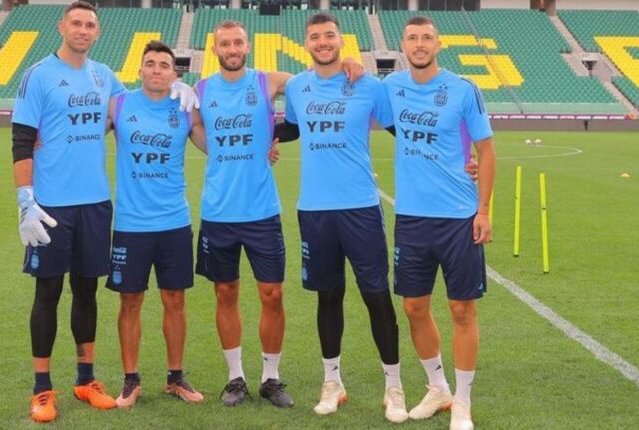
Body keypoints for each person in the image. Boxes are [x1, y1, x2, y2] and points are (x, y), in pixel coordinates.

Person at [10, 2, 197, 422]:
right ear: (62, 26)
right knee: (47, 293)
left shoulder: (103, 77)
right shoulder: (37, 76)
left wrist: (184, 89)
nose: (82, 29)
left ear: (97, 32)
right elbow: (22, 141)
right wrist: (26, 199)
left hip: (95, 203)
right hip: (51, 205)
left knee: (87, 290)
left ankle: (86, 378)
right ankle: (42, 388)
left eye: (90, 24)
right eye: (75, 22)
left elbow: (135, 106)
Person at [194, 19, 361, 408]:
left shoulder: (268, 81)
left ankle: (271, 377)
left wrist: (347, 62)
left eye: (237, 42)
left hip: (261, 211)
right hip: (218, 210)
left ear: (247, 46)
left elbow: (312, 77)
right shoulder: (200, 90)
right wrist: (214, 151)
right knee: (225, 292)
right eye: (224, 44)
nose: (232, 49)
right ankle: (235, 378)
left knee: (272, 294)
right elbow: (194, 127)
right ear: (215, 48)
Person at [278, 12, 408, 422]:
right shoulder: (298, 87)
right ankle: (332, 381)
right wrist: (262, 136)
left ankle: (394, 385)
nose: (322, 41)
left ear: (341, 40)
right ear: (307, 43)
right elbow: (293, 129)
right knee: (328, 296)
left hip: (360, 208)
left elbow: (401, 131)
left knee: (376, 295)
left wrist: (457, 155)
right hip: (314, 211)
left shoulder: (369, 85)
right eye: (315, 36)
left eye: (328, 35)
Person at [382, 16, 496, 430]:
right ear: (403, 44)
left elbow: (485, 151)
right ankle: (438, 388)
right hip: (412, 218)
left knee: (461, 308)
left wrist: (483, 209)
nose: (419, 43)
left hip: (459, 218)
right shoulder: (391, 87)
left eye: (426, 37)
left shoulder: (464, 89)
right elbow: (358, 103)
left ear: (438, 44)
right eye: (412, 37)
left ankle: (462, 402)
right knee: (414, 306)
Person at [105, 40, 207, 408]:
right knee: (130, 301)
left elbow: (217, 145)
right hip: (131, 224)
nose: (157, 70)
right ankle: (131, 380)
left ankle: (175, 377)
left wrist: (265, 146)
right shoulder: (119, 104)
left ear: (174, 73)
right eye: (150, 64)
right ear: (140, 70)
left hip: (173, 222)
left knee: (175, 300)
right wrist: (39, 140)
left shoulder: (184, 109)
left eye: (165, 65)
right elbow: (81, 136)